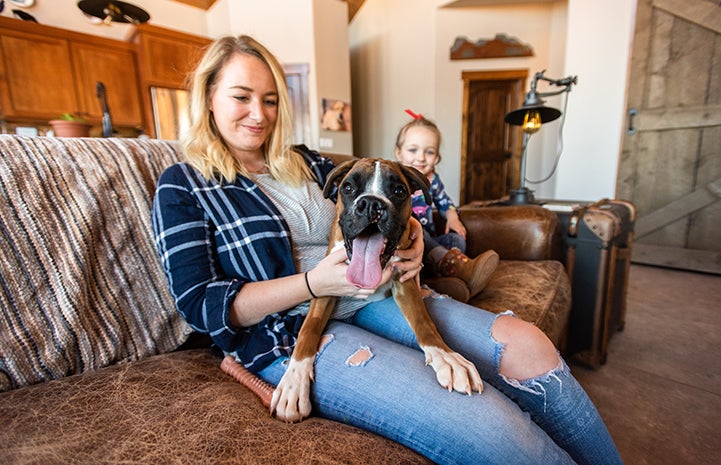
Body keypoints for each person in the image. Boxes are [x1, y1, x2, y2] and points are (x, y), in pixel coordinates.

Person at [151, 34, 624, 465]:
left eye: (270, 100)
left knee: (528, 347)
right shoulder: (184, 185)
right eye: (241, 97)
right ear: (209, 97)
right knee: (490, 425)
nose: (258, 113)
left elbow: (385, 206)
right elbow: (200, 305)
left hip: (373, 295)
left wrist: (414, 237)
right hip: (285, 330)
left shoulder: (308, 162)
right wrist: (315, 283)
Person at [395, 110, 498, 303]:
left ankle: (445, 275)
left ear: (437, 156)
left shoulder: (432, 180)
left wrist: (452, 217)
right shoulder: (396, 179)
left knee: (456, 239)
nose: (421, 158)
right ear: (398, 152)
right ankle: (457, 267)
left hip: (430, 244)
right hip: (409, 243)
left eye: (429, 151)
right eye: (413, 150)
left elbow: (445, 202)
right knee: (415, 228)